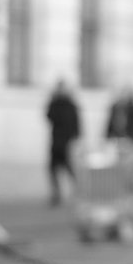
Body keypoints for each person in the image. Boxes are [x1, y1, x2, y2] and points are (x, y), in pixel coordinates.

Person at [45, 79, 81, 207]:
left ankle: (78, 191)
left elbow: (76, 123)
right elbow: (49, 116)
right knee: (53, 169)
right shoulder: (55, 104)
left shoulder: (70, 105)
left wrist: (75, 139)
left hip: (66, 142)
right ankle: (56, 194)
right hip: (56, 141)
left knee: (70, 168)